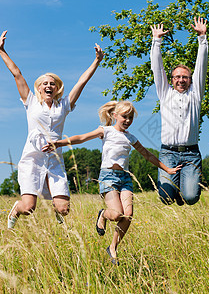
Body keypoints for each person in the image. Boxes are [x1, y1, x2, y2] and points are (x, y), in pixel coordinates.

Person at [42, 101, 181, 265]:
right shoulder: (105, 131)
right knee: (116, 214)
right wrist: (59, 143)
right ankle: (103, 214)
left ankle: (113, 247)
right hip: (108, 177)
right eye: (124, 116)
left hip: (126, 179)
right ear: (115, 116)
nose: (127, 120)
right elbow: (82, 138)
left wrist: (167, 169)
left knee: (128, 215)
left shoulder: (130, 137)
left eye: (130, 117)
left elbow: (148, 155)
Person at [0, 30, 104, 228]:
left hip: (54, 161)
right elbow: (17, 74)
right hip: (33, 159)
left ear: (57, 88)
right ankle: (15, 210)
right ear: (39, 87)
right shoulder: (31, 102)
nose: (49, 86)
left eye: (52, 84)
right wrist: (2, 50)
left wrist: (96, 61)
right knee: (28, 207)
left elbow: (82, 82)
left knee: (64, 209)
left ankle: (58, 219)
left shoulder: (64, 105)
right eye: (45, 83)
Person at [150, 17, 208, 206]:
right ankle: (175, 192)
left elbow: (201, 67)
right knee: (166, 198)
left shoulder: (195, 95)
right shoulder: (165, 93)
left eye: (185, 77)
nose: (181, 80)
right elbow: (157, 68)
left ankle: (186, 191)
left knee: (191, 198)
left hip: (191, 153)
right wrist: (156, 41)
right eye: (177, 77)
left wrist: (202, 39)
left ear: (190, 80)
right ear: (171, 79)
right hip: (168, 153)